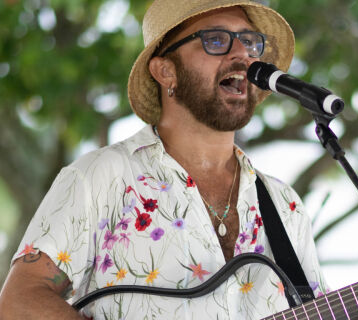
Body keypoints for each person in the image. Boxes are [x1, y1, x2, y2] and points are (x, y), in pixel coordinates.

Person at [0, 0, 331, 318]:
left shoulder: (283, 204)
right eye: (216, 40)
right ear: (165, 71)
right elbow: (19, 303)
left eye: (249, 42)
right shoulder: (102, 177)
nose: (242, 55)